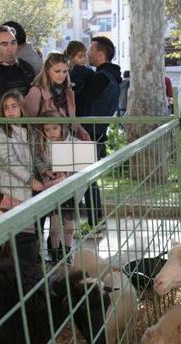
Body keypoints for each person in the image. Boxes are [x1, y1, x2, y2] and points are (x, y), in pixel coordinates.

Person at [77, 36, 122, 229]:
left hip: (87, 133)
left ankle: (95, 222)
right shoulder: (110, 76)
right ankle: (95, 221)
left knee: (83, 179)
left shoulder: (100, 78)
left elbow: (82, 103)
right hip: (97, 132)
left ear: (100, 53)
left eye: (91, 49)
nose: (88, 53)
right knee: (87, 179)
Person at [0, 90, 42, 265]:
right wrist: (30, 179)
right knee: (10, 230)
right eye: (6, 108)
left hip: (27, 189)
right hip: (12, 190)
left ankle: (26, 262)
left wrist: (44, 171)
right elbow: (7, 161)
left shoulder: (29, 130)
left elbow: (35, 156)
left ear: (22, 107)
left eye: (14, 106)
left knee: (26, 230)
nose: (10, 111)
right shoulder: (2, 133)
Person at [32, 110, 84, 262]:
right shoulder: (43, 144)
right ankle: (54, 252)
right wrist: (45, 170)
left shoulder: (72, 143)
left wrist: (67, 172)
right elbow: (37, 160)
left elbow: (80, 165)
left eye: (54, 128)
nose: (51, 132)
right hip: (53, 189)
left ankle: (67, 252)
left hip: (69, 189)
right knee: (54, 225)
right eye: (47, 129)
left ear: (62, 127)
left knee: (69, 224)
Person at [22, 52, 90, 141]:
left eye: (65, 71)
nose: (61, 75)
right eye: (57, 71)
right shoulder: (36, 91)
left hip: (67, 140)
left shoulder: (67, 91)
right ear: (47, 70)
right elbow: (28, 122)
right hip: (45, 144)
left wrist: (81, 131)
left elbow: (72, 118)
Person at [65, 40, 94, 108]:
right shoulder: (88, 72)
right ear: (71, 57)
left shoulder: (65, 71)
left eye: (84, 56)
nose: (83, 59)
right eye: (80, 57)